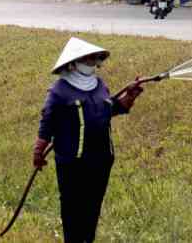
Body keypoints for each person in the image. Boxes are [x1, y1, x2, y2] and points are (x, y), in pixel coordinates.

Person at [33, 36, 143, 243]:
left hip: (101, 160)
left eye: (95, 59)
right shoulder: (59, 91)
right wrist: (39, 151)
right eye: (88, 59)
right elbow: (47, 123)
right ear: (73, 63)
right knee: (72, 208)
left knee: (92, 206)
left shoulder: (100, 85)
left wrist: (131, 96)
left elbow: (111, 109)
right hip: (72, 163)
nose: (93, 63)